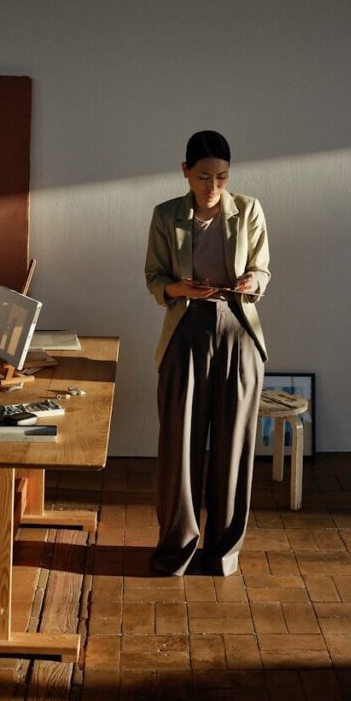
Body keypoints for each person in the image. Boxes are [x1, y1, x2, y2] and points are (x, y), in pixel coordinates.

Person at [145, 130, 271, 576]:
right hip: (186, 333)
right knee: (179, 447)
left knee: (232, 448)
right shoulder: (166, 215)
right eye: (203, 177)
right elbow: (154, 277)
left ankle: (222, 551)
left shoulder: (249, 210)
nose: (213, 187)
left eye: (221, 176)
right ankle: (177, 548)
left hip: (239, 333)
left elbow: (262, 267)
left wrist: (254, 282)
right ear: (185, 172)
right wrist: (178, 288)